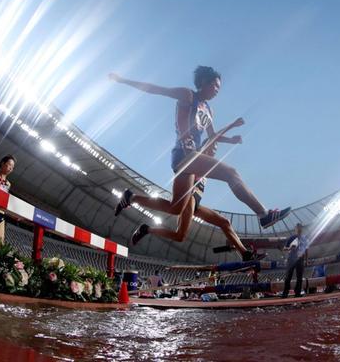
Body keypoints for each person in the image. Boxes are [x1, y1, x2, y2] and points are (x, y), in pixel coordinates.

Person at [109, 67, 291, 244]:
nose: (217, 91)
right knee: (231, 173)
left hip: (191, 158)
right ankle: (264, 215)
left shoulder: (209, 111)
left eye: (219, 88)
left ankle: (130, 198)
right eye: (215, 86)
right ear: (203, 82)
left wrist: (231, 140)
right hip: (183, 153)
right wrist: (122, 80)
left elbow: (212, 136)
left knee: (176, 207)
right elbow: (156, 89)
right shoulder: (187, 94)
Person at [114, 139, 258, 260]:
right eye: (212, 147)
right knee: (176, 214)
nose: (214, 151)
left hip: (197, 202)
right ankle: (132, 198)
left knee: (215, 225)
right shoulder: (195, 159)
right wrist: (230, 137)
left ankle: (244, 254)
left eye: (215, 149)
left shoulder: (207, 167)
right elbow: (214, 136)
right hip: (189, 197)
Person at [282, 223, 308, 298]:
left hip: (300, 259)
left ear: (302, 229)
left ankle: (297, 293)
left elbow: (306, 250)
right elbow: (284, 248)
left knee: (299, 277)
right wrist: (290, 248)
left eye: (300, 228)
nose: (299, 229)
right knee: (288, 277)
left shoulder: (304, 239)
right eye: (297, 228)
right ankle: (285, 293)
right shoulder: (291, 238)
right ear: (295, 229)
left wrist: (306, 260)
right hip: (291, 259)